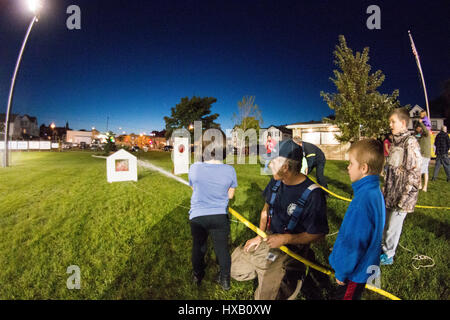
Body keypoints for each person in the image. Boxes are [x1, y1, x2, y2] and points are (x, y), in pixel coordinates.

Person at [230, 139, 329, 300]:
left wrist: (285, 239)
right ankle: (265, 267)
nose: (269, 166)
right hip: (270, 237)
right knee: (234, 269)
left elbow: (318, 234)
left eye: (272, 162)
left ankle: (294, 275)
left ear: (285, 167)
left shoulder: (313, 194)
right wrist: (259, 236)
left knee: (266, 298)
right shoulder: (276, 182)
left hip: (292, 246)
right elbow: (265, 209)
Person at [329, 139, 386, 300]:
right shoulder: (374, 191)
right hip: (364, 265)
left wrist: (342, 271)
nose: (347, 167)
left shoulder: (363, 201)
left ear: (363, 168)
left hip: (354, 273)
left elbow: (354, 242)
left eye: (351, 163)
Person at [188, 142, 238, 290]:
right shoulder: (230, 169)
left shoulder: (195, 167)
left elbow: (193, 188)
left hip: (198, 216)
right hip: (219, 216)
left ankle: (197, 275)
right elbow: (230, 195)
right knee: (222, 249)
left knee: (199, 246)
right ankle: (225, 281)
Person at [381, 108, 421, 265]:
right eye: (390, 121)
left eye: (393, 122)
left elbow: (414, 173)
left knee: (393, 227)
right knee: (386, 224)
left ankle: (389, 254)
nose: (390, 124)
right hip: (391, 193)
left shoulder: (410, 143)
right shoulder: (394, 142)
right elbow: (392, 169)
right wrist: (386, 189)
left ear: (403, 123)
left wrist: (404, 199)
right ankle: (384, 248)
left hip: (402, 197)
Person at [415, 119, 431, 192]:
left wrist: (421, 123)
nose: (417, 129)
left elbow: (425, 130)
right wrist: (417, 123)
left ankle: (425, 186)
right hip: (420, 155)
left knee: (424, 170)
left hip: (425, 155)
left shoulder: (426, 134)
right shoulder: (419, 135)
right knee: (421, 170)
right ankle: (420, 185)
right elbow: (416, 134)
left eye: (418, 128)